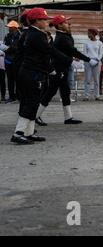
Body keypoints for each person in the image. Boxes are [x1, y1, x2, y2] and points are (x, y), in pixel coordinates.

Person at [11, 8, 72, 145]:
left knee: (32, 102)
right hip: (32, 73)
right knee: (30, 103)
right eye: (44, 19)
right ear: (36, 21)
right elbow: (49, 51)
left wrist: (50, 70)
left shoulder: (32, 33)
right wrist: (66, 59)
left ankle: (29, 132)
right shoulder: (36, 35)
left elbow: (43, 55)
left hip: (30, 72)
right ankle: (18, 132)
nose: (46, 22)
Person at [35, 15, 95, 126]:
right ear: (60, 25)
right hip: (58, 70)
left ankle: (68, 117)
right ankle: (36, 116)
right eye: (66, 23)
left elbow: (69, 52)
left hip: (63, 68)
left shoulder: (64, 35)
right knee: (50, 92)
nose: (68, 24)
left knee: (65, 92)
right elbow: (73, 51)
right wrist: (88, 60)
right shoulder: (62, 37)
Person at [83, 29, 103, 101]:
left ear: (94, 34)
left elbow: (100, 53)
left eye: (89, 33)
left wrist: (97, 59)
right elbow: (85, 53)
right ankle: (86, 95)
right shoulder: (86, 43)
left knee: (96, 80)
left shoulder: (99, 43)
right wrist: (89, 60)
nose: (88, 35)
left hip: (97, 62)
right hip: (88, 62)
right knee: (87, 79)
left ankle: (97, 95)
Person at [3, 21, 21, 103]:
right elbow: (5, 46)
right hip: (8, 60)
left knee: (17, 79)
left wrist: (8, 48)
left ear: (15, 28)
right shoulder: (7, 36)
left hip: (16, 61)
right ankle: (11, 96)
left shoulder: (19, 36)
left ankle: (18, 96)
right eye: (9, 27)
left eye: (10, 27)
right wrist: (8, 48)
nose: (9, 28)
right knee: (10, 80)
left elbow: (15, 48)